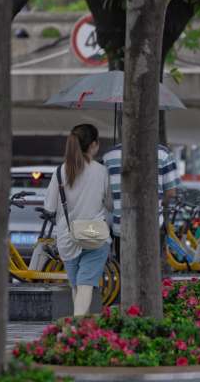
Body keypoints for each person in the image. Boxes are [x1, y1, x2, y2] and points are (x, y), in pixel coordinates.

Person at [44, 124, 112, 316]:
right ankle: (77, 328)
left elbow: (49, 206)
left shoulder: (60, 172)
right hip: (95, 237)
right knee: (85, 286)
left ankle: (78, 328)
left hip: (68, 238)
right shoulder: (101, 171)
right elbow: (110, 204)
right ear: (93, 145)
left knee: (78, 287)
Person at [102, 144, 181, 258]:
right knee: (149, 270)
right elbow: (171, 193)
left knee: (124, 270)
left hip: (121, 226)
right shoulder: (163, 153)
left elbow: (105, 192)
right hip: (152, 225)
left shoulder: (108, 155)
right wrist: (160, 203)